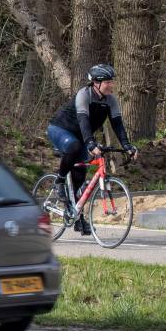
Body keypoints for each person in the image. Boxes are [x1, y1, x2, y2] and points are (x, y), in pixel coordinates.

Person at [47, 63, 138, 235]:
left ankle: (77, 217)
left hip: (81, 135)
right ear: (96, 83)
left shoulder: (110, 100)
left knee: (79, 176)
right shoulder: (84, 95)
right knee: (74, 147)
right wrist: (90, 143)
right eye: (107, 82)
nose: (111, 85)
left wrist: (127, 146)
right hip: (60, 129)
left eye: (112, 82)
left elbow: (117, 125)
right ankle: (58, 182)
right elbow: (83, 121)